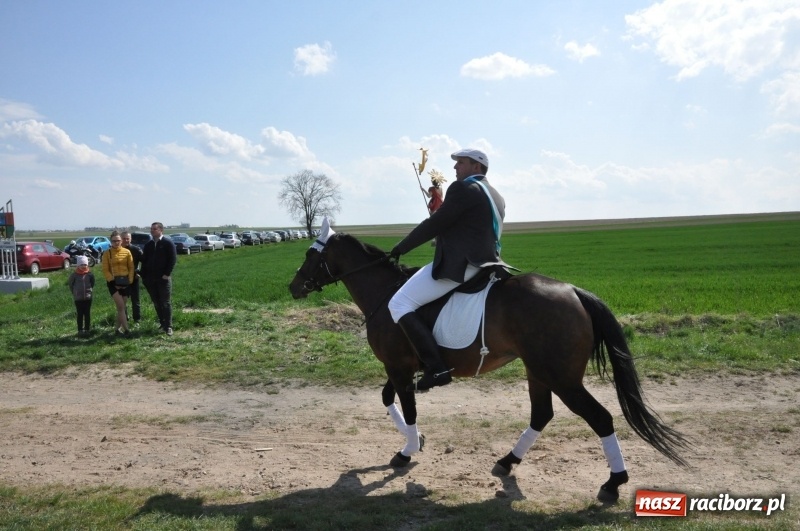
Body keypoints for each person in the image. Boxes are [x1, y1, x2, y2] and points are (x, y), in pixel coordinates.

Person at [388, 148, 507, 392]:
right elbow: (466, 227)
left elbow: (435, 223)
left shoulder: (463, 188)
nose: (455, 167)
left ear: (476, 167)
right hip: (487, 263)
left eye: (460, 163)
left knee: (398, 304)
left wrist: (402, 247)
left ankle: (436, 367)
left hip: (463, 265)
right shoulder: (495, 194)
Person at [141, 221, 177, 336]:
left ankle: (169, 326)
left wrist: (167, 273)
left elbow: (172, 259)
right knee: (156, 302)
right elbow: (144, 261)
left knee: (165, 302)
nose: (152, 231)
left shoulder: (167, 243)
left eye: (154, 229)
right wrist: (143, 275)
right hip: (150, 279)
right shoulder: (148, 245)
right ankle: (162, 323)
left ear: (161, 230)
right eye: (151, 229)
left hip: (163, 279)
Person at [102, 231, 135, 336]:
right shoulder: (107, 253)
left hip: (125, 282)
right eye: (114, 241)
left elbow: (131, 267)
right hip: (113, 283)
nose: (116, 243)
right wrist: (112, 281)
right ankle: (127, 330)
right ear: (110, 241)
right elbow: (105, 269)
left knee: (122, 308)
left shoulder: (127, 252)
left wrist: (130, 280)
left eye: (118, 240)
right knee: (121, 307)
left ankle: (117, 329)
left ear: (121, 241)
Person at [67, 255, 95, 336]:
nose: (83, 266)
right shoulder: (74, 275)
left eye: (85, 264)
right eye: (82, 265)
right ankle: (80, 330)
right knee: (80, 314)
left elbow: (92, 283)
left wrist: (89, 291)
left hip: (88, 298)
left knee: (87, 314)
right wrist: (74, 292)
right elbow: (71, 284)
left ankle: (87, 329)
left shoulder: (90, 275)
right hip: (78, 298)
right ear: (78, 265)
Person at [121, 231, 143, 326]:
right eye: (124, 238)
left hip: (134, 278)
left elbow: (145, 262)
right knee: (123, 301)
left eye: (128, 238)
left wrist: (139, 272)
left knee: (135, 300)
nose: (126, 240)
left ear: (131, 239)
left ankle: (137, 320)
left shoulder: (136, 250)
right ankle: (125, 319)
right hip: (121, 279)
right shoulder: (117, 250)